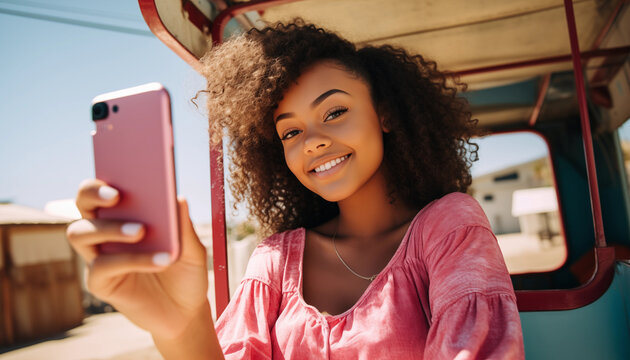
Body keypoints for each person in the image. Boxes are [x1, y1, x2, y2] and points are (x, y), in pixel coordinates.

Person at [67, 20, 524, 359]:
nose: (312, 142)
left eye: (334, 112)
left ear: (384, 114)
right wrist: (183, 327)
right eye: (289, 133)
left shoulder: (448, 227)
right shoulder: (274, 262)